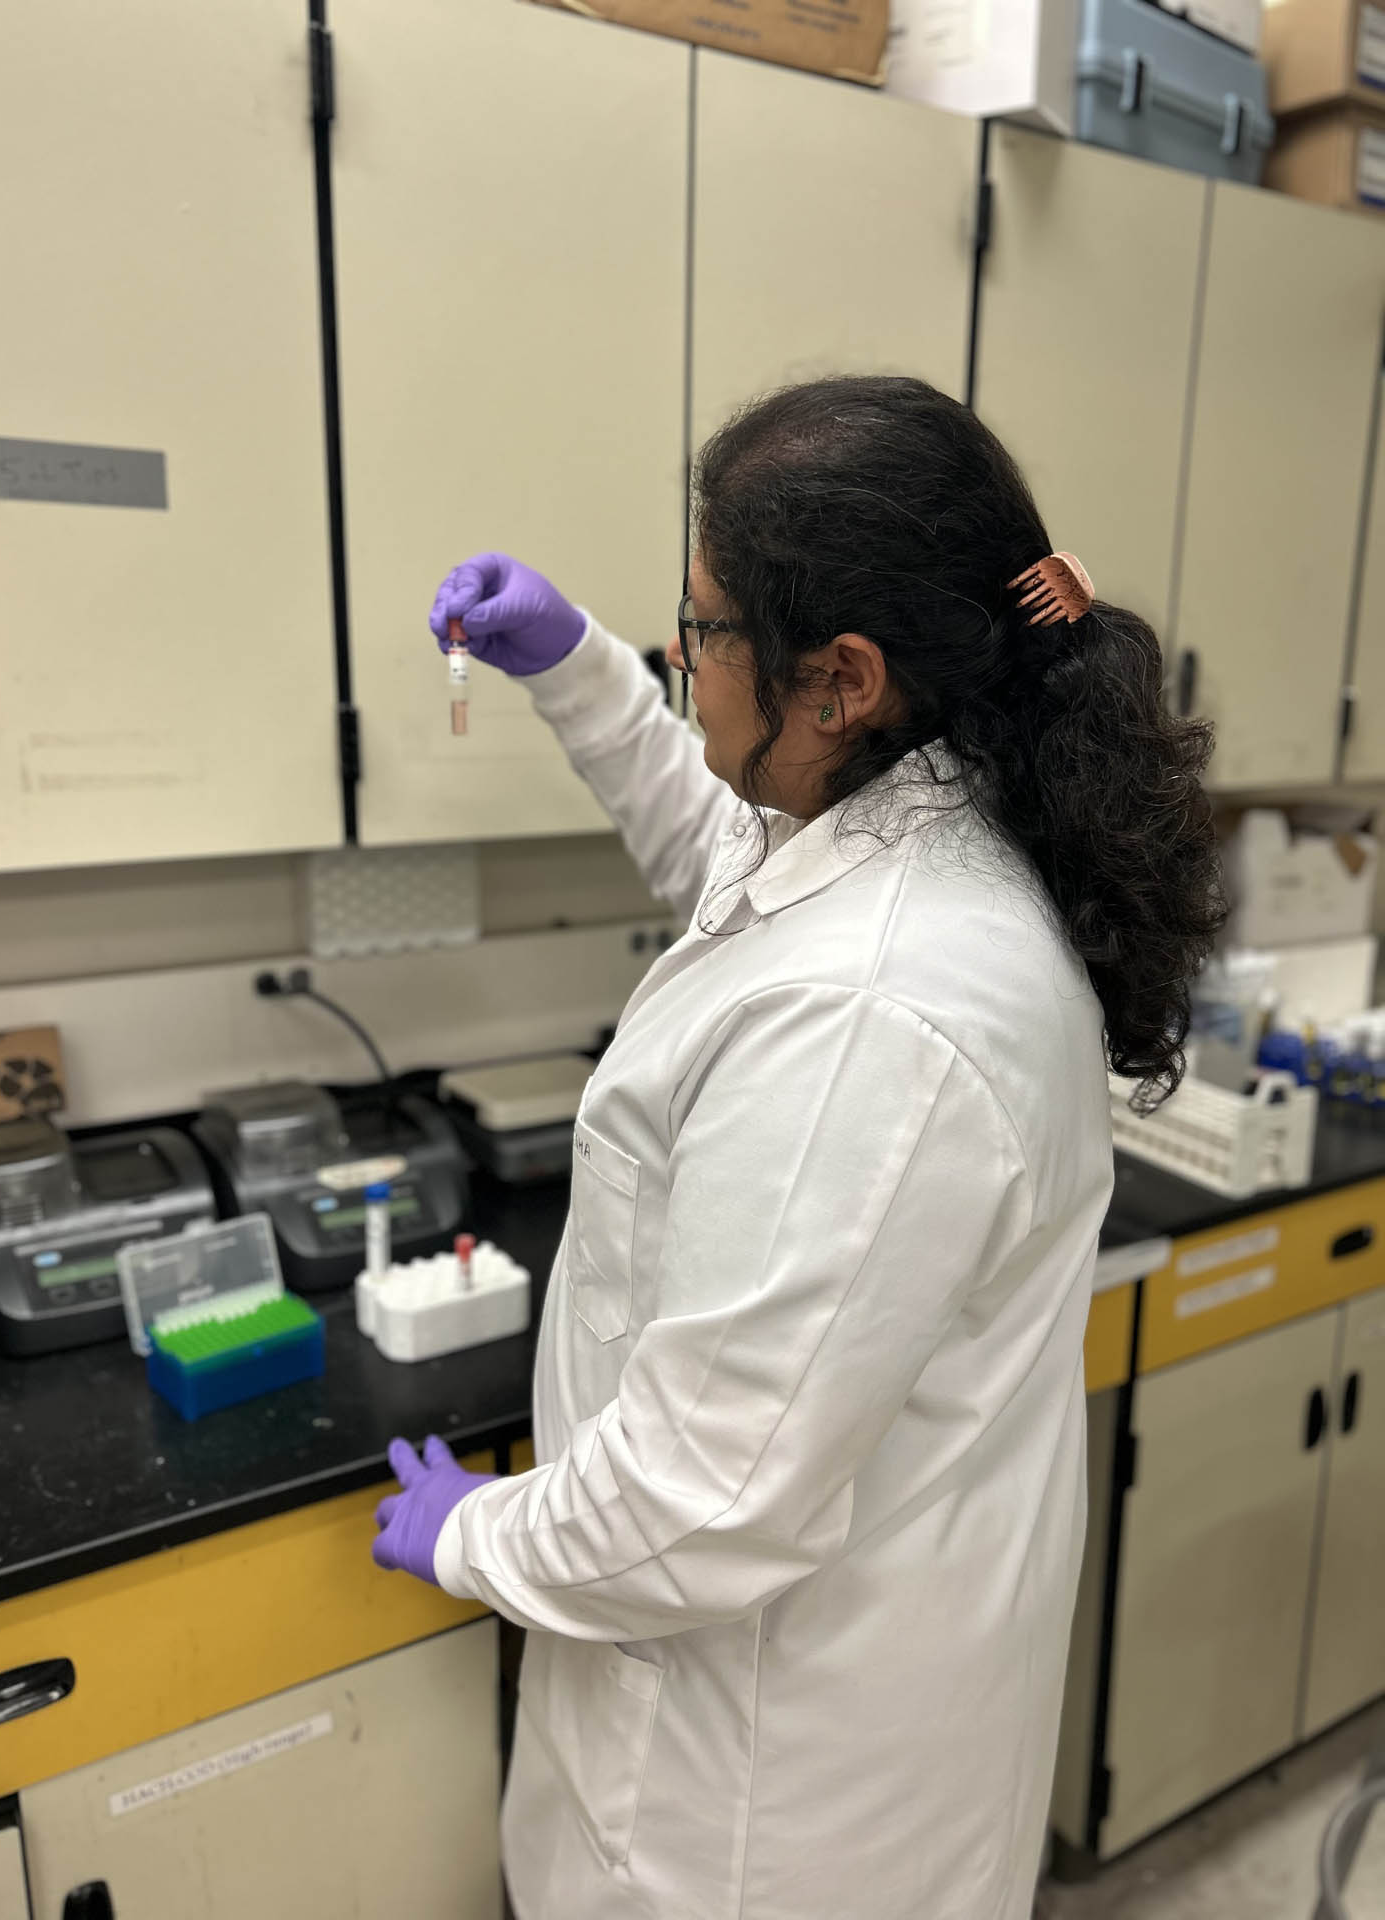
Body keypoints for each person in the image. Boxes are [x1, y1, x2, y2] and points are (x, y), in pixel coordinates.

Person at [370, 376, 1225, 1919]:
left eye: (700, 630)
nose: (682, 660)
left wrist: (474, 1536)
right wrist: (574, 667)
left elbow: (703, 1499)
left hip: (761, 1817)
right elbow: (730, 858)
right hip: (847, 1696)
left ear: (840, 681)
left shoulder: (869, 1016)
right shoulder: (931, 816)